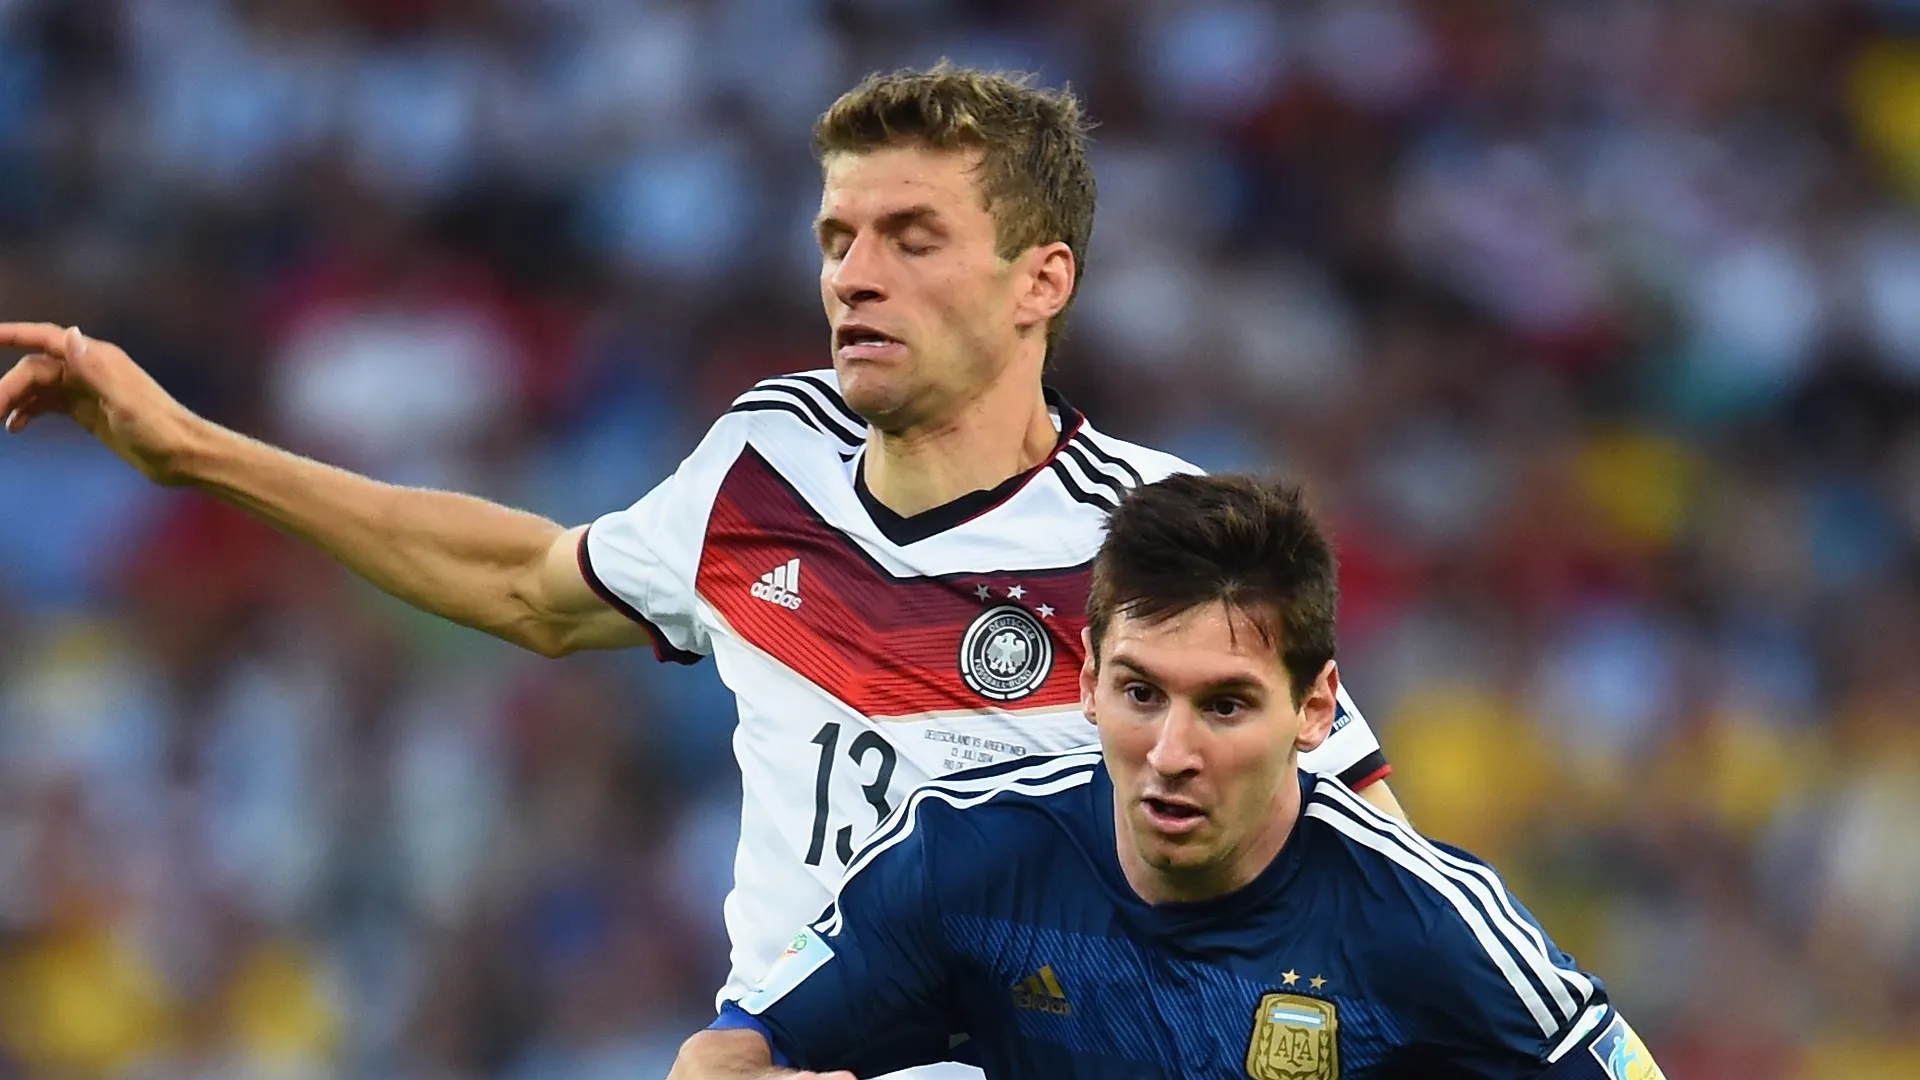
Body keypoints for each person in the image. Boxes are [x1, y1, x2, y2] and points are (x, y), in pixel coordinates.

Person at [0, 66, 1401, 1077]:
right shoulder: (765, 462)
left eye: (914, 239)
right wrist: (190, 450)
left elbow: (1371, 895)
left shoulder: (1165, 541)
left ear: (1041, 281)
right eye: (838, 238)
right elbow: (529, 586)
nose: (856, 276)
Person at [672, 473, 1665, 1080]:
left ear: (1315, 710)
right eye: (1142, 693)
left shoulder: (1423, 923)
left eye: (1225, 705)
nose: (1173, 751)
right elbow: (733, 1046)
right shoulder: (966, 865)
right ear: (1091, 685)